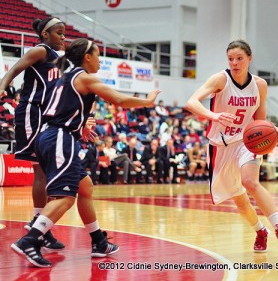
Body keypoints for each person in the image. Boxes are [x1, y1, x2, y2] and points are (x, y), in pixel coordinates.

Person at [11, 38, 160, 268]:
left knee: (85, 186)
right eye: (98, 54)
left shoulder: (65, 77)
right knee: (66, 198)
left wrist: (81, 125)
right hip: (60, 137)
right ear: (87, 57)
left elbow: (60, 109)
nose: (100, 60)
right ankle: (30, 240)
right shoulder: (85, 77)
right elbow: (119, 99)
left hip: (51, 135)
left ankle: (98, 241)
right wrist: (147, 101)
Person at [185, 40, 278, 253]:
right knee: (240, 200)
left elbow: (260, 120)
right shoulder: (220, 79)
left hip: (246, 141)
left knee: (250, 182)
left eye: (239, 58)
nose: (234, 63)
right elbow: (192, 102)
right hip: (221, 145)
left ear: (249, 59)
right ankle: (261, 231)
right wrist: (214, 116)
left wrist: (269, 132)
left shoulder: (260, 85)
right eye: (231, 59)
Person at [0, 17, 66, 251]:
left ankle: (40, 226)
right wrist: (2, 87)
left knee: (46, 170)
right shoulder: (41, 50)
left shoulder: (60, 60)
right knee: (40, 168)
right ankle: (39, 226)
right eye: (58, 32)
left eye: (64, 33)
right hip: (32, 112)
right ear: (45, 35)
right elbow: (16, 68)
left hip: (47, 115)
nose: (63, 36)